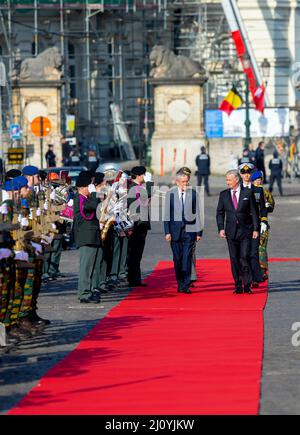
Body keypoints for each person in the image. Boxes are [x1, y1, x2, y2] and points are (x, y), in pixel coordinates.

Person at [216, 170, 259, 294]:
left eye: (229, 180)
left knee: (244, 257)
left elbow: (254, 212)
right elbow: (220, 213)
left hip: (245, 231)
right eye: (226, 180)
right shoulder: (223, 195)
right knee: (234, 259)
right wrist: (221, 228)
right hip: (230, 232)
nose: (227, 182)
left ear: (236, 180)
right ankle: (238, 285)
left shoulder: (248, 192)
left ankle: (247, 284)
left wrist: (255, 229)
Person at [164, 169, 202, 294]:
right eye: (183, 182)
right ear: (177, 182)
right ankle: (180, 282)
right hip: (175, 232)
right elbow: (167, 215)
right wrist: (167, 232)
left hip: (189, 232)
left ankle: (186, 285)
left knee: (187, 258)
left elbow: (198, 214)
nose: (186, 184)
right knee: (177, 259)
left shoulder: (194, 194)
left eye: (187, 182)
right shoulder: (170, 195)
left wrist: (198, 232)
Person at [73, 171, 103, 303]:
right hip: (86, 237)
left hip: (93, 235)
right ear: (84, 187)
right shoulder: (79, 198)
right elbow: (93, 206)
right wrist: (95, 193)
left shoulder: (85, 198)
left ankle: (89, 290)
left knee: (92, 266)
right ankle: (84, 293)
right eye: (90, 186)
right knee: (86, 267)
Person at [239, 163, 267, 287]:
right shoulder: (238, 189)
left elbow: (263, 208)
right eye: (244, 173)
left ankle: (255, 278)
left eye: (248, 173)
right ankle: (247, 277)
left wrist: (264, 221)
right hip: (242, 226)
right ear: (241, 175)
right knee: (243, 253)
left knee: (254, 253)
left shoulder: (258, 190)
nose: (246, 175)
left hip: (255, 225)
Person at [127, 166, 153, 287]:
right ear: (139, 176)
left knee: (138, 253)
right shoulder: (133, 187)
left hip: (141, 224)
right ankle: (132, 279)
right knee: (134, 253)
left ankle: (135, 279)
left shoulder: (137, 187)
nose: (145, 177)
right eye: (144, 175)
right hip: (136, 224)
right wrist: (149, 183)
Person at [250, 170, 275, 281]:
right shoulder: (248, 190)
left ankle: (263, 271)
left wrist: (267, 206)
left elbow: (272, 205)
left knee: (262, 247)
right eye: (256, 180)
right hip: (250, 223)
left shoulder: (265, 192)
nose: (258, 181)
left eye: (260, 180)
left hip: (262, 222)